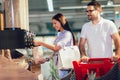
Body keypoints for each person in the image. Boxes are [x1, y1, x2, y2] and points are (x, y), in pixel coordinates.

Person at [34, 13, 75, 79]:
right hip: (58, 67)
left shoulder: (67, 34)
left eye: (55, 23)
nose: (53, 25)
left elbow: (56, 48)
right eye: (53, 23)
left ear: (61, 22)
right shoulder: (60, 34)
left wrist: (41, 43)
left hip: (65, 68)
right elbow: (57, 52)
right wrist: (46, 59)